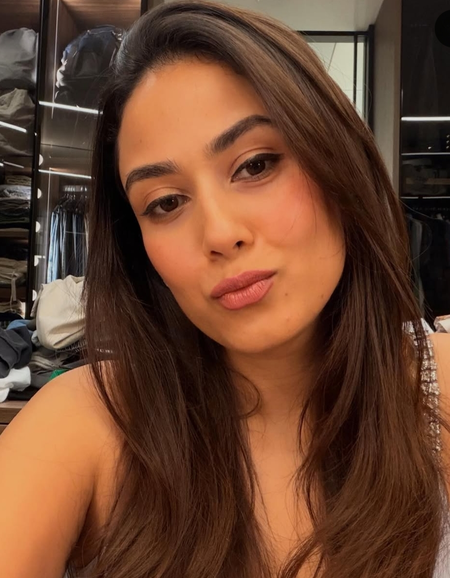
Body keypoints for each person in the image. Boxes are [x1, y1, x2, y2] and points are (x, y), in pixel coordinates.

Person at [1, 2, 450, 577]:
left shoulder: (436, 390)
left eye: (255, 165)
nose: (219, 234)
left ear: (338, 160)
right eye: (166, 202)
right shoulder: (86, 422)